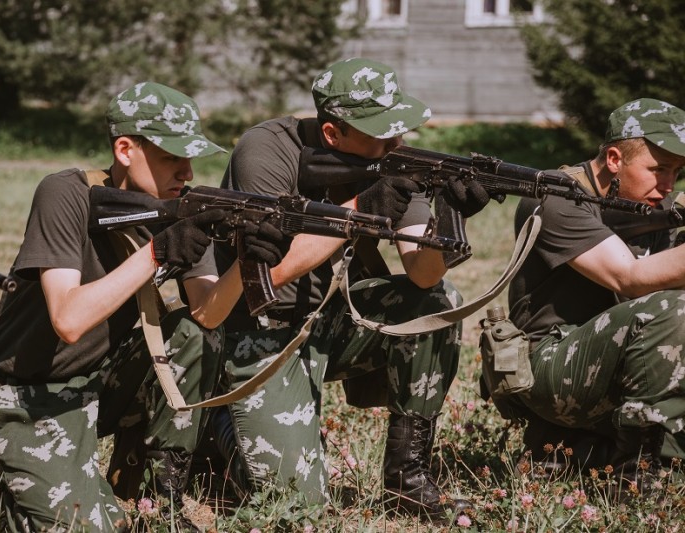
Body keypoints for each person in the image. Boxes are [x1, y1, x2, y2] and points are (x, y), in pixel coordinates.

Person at [0, 81, 290, 531]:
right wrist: (159, 253)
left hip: (98, 386)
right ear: (125, 149)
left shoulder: (181, 208)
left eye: (191, 158)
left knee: (192, 333)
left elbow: (207, 315)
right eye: (171, 157)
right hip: (22, 393)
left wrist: (247, 260)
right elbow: (68, 320)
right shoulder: (65, 194)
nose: (186, 171)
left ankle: (155, 498)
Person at [208, 57, 489, 520]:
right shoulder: (264, 152)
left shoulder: (393, 161)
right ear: (333, 134)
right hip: (258, 332)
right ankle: (217, 426)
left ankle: (408, 482)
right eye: (381, 134)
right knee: (296, 507)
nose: (395, 143)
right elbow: (267, 274)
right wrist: (356, 212)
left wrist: (449, 219)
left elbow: (422, 274)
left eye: (398, 129)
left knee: (438, 304)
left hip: (338, 321)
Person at [505, 98, 685, 496]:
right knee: (675, 308)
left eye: (677, 172)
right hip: (548, 365)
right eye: (658, 170)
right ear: (616, 159)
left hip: (619, 363)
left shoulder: (657, 206)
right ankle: (635, 475)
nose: (669, 186)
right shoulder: (554, 195)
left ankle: (591, 450)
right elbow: (630, 278)